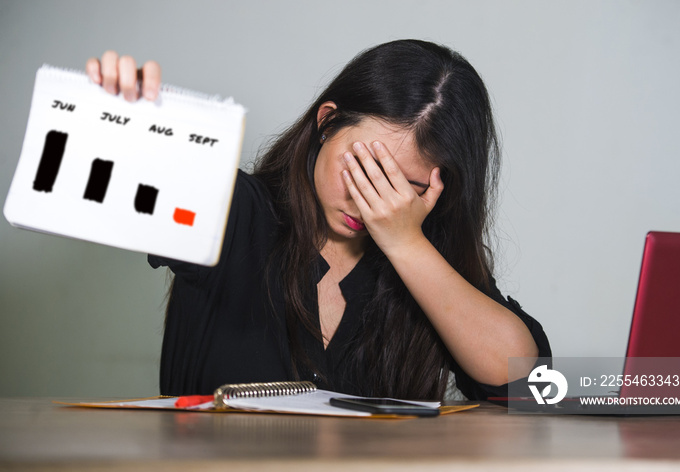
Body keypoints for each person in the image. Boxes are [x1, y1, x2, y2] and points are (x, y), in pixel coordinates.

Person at [86, 40, 550, 401]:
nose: (368, 202)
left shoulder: (425, 262)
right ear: (326, 123)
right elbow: (130, 182)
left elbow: (529, 383)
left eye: (402, 189)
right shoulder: (240, 211)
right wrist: (118, 122)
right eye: (360, 168)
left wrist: (407, 245)